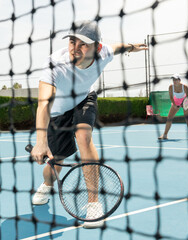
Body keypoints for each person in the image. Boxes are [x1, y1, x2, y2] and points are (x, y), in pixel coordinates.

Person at [27, 20, 148, 228]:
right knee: (55, 165)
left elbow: (117, 47)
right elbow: (44, 104)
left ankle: (94, 204)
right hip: (57, 113)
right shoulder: (54, 64)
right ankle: (47, 184)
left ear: (97, 48)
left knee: (83, 136)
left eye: (83, 44)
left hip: (84, 98)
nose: (75, 48)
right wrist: (40, 141)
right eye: (72, 41)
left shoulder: (104, 54)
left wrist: (131, 47)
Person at [158, 73, 188, 140]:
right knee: (169, 118)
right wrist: (175, 104)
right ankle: (165, 134)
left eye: (176, 79)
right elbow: (171, 97)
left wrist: (184, 104)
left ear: (179, 80)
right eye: (173, 80)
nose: (174, 81)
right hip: (176, 101)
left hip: (185, 100)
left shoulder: (185, 87)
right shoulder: (171, 87)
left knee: (187, 118)